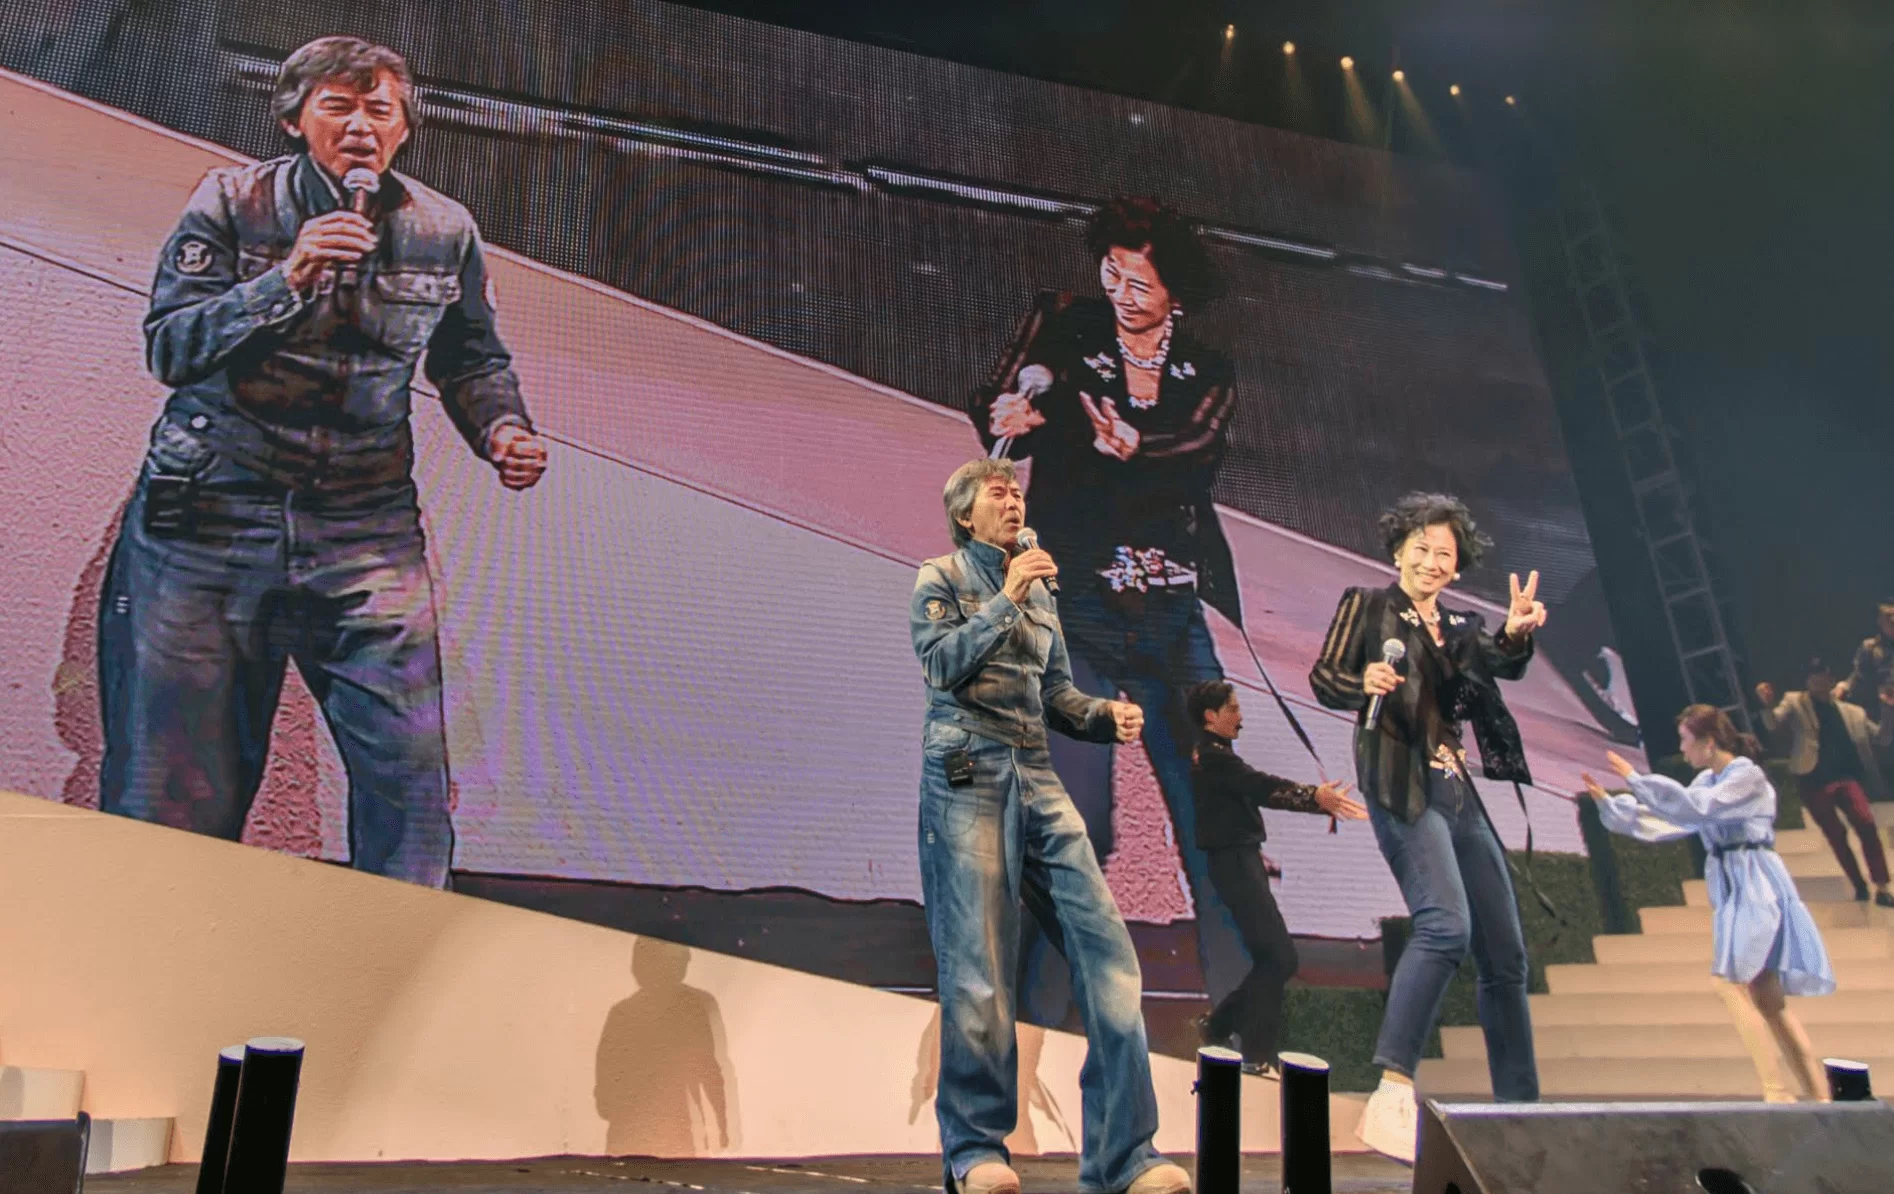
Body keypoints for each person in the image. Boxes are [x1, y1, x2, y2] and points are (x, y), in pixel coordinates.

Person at [97, 36, 547, 888]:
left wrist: (502, 431)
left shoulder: (443, 229)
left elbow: (472, 360)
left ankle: (395, 955)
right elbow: (170, 346)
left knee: (408, 788)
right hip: (208, 517)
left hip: (363, 527)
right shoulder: (232, 201)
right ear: (295, 120)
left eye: (380, 109)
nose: (361, 127)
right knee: (176, 794)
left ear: (405, 128)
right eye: (338, 106)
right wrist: (287, 278)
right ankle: (157, 949)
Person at [973, 196, 1250, 1024]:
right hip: (1076, 604)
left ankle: (1248, 1031)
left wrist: (1138, 446)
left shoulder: (1209, 370)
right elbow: (1007, 399)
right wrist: (1004, 414)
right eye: (1113, 273)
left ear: (1177, 294)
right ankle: (1034, 1022)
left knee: (1215, 818)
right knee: (1078, 821)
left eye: (1142, 282)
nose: (1122, 292)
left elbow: (1198, 448)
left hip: (1170, 611)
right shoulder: (1065, 324)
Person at [911, 458, 1190, 1194]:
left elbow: (1057, 693)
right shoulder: (940, 577)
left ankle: (1125, 1159)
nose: (1014, 501)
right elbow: (942, 665)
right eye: (997, 494)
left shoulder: (1041, 590)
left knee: (1109, 958)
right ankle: (975, 1151)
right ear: (965, 515)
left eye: (1017, 492)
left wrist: (1103, 716)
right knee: (978, 970)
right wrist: (1007, 597)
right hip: (966, 772)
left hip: (1036, 773)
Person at [1308, 492, 1547, 1163]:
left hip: (1456, 790)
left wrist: (1516, 631)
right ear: (1397, 552)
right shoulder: (1367, 606)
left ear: (1457, 567)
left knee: (1506, 955)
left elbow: (1499, 661)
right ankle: (1391, 1090)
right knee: (1446, 926)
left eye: (1445, 554)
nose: (1433, 561)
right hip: (1400, 783)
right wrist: (1363, 681)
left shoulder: (1460, 627)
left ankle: (1522, 1112)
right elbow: (1324, 676)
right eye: (1422, 548)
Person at [1582, 706, 1835, 1102]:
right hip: (1734, 885)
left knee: (1729, 983)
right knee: (1766, 996)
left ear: (1709, 742)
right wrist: (1614, 806)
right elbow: (1675, 817)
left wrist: (1636, 780)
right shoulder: (1707, 781)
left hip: (1756, 882)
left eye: (1686, 740)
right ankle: (1819, 1097)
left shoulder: (1746, 776)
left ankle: (1776, 1091)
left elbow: (1697, 808)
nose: (1682, 750)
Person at [1185, 680, 1366, 1077]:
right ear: (1211, 716)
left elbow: (1244, 800)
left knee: (1276, 958)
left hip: (1240, 859)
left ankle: (1220, 1028)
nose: (1241, 717)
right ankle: (1251, 1052)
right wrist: (1314, 797)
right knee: (1278, 958)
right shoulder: (1214, 758)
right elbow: (1261, 787)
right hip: (1235, 863)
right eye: (1233, 709)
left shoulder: (1215, 756)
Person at [1756, 660, 1894, 906]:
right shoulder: (1796, 702)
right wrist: (1765, 705)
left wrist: (1888, 708)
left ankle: (1882, 887)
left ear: (1831, 679)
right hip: (1813, 781)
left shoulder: (1853, 712)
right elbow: (1773, 723)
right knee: (1836, 835)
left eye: (1823, 676)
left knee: (1866, 823)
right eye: (1813, 676)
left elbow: (1882, 738)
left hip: (1846, 778)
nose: (1818, 681)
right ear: (1807, 681)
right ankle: (1859, 885)